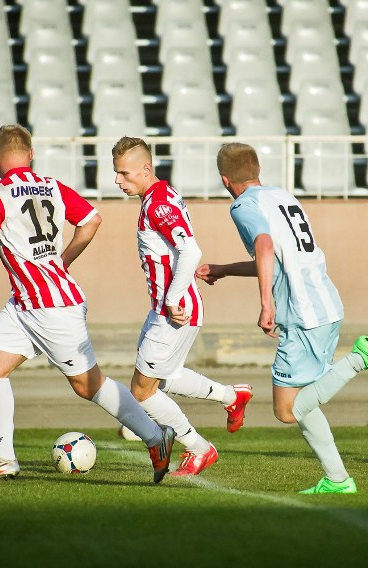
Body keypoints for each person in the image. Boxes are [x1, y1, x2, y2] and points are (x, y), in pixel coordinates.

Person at [0, 125, 175, 484]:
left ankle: (155, 436)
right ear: (31, 154)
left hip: (50, 308)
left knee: (88, 385)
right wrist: (62, 260)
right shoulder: (52, 186)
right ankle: (2, 457)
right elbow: (91, 220)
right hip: (26, 304)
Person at [196, 143, 368, 494]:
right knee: (304, 404)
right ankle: (338, 479)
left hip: (301, 312)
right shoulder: (281, 197)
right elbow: (279, 257)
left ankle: (359, 359)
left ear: (224, 179)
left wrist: (267, 304)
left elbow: (265, 246)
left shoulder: (243, 206)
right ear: (257, 169)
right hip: (325, 305)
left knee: (286, 409)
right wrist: (225, 270)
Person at [111, 136, 253, 477]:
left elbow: (190, 251)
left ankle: (199, 448)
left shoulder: (157, 203)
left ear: (145, 169)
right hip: (174, 306)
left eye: (124, 173)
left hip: (173, 309)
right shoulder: (162, 194)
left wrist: (172, 299)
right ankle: (231, 396)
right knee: (166, 378)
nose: (118, 181)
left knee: (142, 391)